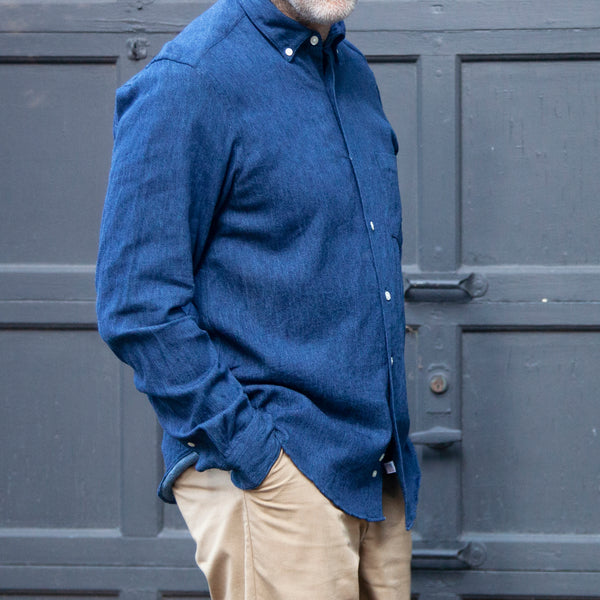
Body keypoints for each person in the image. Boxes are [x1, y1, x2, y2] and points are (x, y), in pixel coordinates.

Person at [96, 0, 420, 595]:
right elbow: (136, 303)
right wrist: (256, 453)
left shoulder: (351, 72)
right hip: (277, 477)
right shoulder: (190, 80)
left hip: (377, 471)